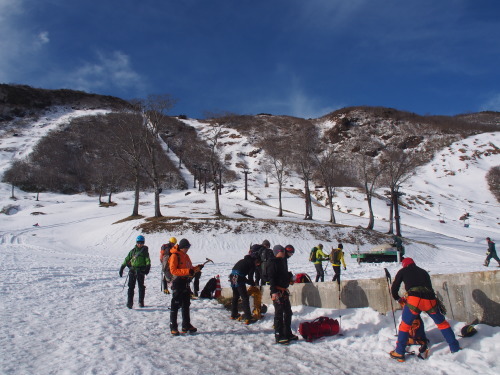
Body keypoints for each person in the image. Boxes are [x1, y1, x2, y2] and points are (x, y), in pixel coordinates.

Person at [389, 257, 460, 362]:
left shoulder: (403, 271)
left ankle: (399, 352)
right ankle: (455, 348)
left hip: (415, 300)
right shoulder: (423, 272)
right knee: (442, 324)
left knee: (405, 325)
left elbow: (394, 288)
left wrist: (398, 299)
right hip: (430, 300)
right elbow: (429, 288)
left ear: (404, 264)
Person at [169, 238, 202, 336]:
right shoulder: (175, 256)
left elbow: (190, 268)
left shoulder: (186, 256)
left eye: (189, 247)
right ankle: (173, 327)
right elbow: (173, 270)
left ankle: (186, 325)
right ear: (182, 247)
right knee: (175, 304)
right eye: (187, 247)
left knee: (186, 304)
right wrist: (188, 272)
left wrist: (197, 268)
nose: (188, 249)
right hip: (177, 282)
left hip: (185, 282)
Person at [268, 244, 297, 345]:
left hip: (284, 291)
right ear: (277, 252)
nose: (284, 253)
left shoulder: (283, 261)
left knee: (288, 312)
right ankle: (279, 335)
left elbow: (284, 273)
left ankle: (287, 333)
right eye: (282, 251)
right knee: (279, 313)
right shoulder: (272, 262)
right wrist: (273, 292)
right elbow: (271, 278)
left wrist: (290, 277)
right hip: (277, 291)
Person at [119, 235, 151, 309]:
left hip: (140, 271)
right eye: (138, 242)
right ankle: (130, 303)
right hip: (132, 271)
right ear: (136, 242)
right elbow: (127, 259)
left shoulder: (145, 252)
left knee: (141, 287)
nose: (140, 244)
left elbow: (147, 260)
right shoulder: (132, 251)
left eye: (141, 242)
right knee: (131, 287)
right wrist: (122, 267)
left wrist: (148, 266)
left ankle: (141, 301)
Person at [229, 251, 261, 324]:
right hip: (239, 278)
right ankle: (248, 317)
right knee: (245, 298)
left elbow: (242, 275)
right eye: (258, 263)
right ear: (255, 260)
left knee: (235, 296)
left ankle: (233, 314)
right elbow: (250, 277)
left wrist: (248, 281)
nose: (258, 265)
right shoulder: (252, 264)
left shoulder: (243, 260)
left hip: (232, 277)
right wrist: (253, 284)